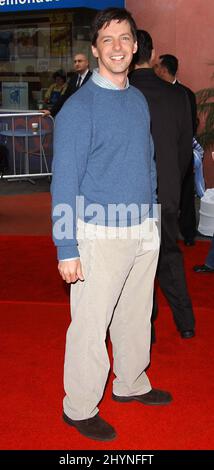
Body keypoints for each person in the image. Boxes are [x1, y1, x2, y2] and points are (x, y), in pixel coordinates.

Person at [51, 8, 172, 442]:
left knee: (135, 317)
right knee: (90, 324)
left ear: (136, 45)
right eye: (108, 40)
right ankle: (79, 407)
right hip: (98, 234)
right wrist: (67, 246)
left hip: (142, 228)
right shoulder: (79, 109)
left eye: (125, 38)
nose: (118, 47)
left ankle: (131, 382)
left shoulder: (137, 99)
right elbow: (63, 181)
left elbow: (146, 161)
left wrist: (152, 212)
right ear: (95, 49)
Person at [129, 30, 195, 339]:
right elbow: (185, 152)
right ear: (153, 55)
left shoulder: (123, 95)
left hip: (130, 196)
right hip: (168, 191)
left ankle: (147, 330)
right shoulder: (178, 95)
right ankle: (186, 325)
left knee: (136, 267)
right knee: (169, 255)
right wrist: (171, 183)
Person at [155, 54, 198, 247]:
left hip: (182, 151)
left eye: (157, 67)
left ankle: (188, 232)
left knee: (187, 193)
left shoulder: (187, 94)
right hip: (160, 154)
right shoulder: (155, 93)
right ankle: (159, 234)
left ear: (163, 69)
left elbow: (192, 124)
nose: (155, 70)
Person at [46, 53, 91, 117]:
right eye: (75, 62)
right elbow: (65, 97)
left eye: (80, 61)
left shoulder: (93, 78)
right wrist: (51, 111)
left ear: (87, 63)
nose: (77, 64)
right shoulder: (73, 79)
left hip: (88, 117)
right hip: (75, 116)